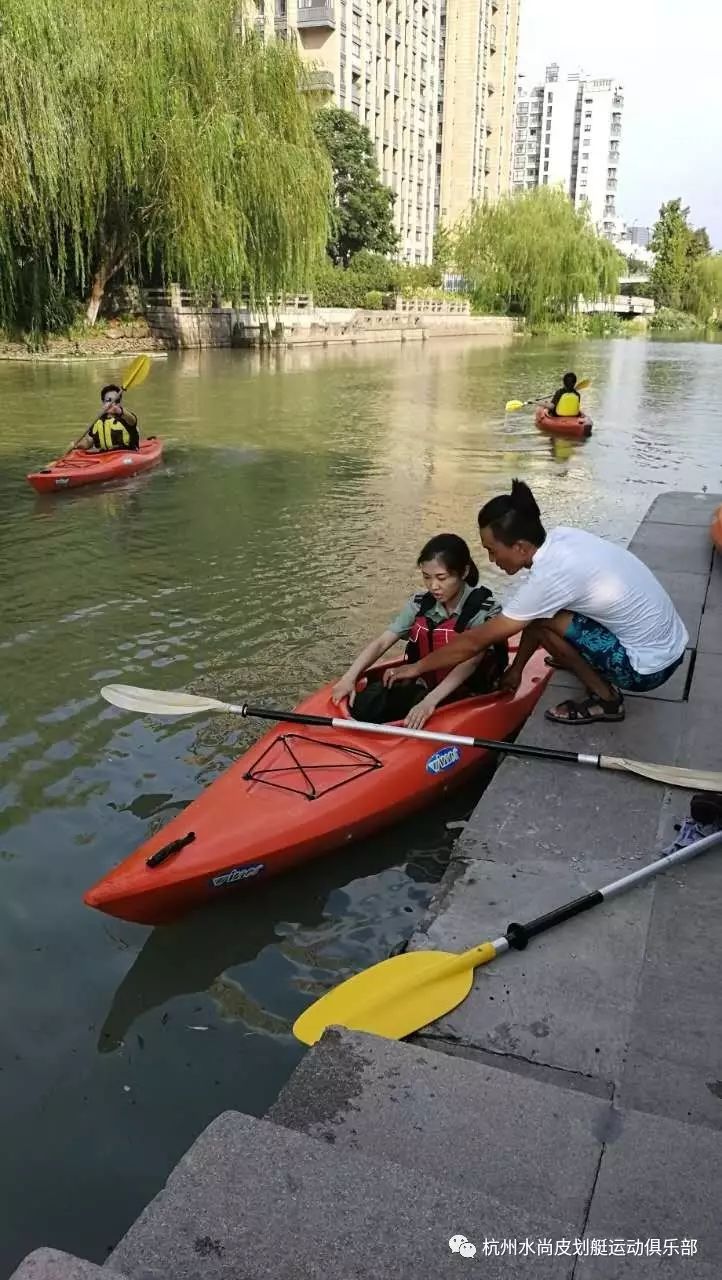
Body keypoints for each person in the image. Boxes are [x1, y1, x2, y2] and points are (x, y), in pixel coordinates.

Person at [384, 480, 688, 726]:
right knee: (543, 616)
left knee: (542, 620)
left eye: (492, 550)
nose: (491, 560)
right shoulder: (563, 537)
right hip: (670, 646)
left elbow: (476, 641)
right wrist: (516, 669)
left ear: (519, 547)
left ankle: (606, 700)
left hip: (647, 669)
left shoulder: (549, 577)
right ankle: (576, 659)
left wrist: (417, 667)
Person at [331, 533, 507, 729]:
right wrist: (350, 677)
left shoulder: (486, 609)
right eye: (426, 577)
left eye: (442, 578)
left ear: (464, 572)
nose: (433, 586)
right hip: (425, 686)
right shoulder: (419, 604)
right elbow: (383, 641)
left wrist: (429, 702)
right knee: (372, 699)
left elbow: (471, 661)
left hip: (466, 694)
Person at [76, 385, 140, 452]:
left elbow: (133, 420)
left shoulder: (126, 417)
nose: (113, 403)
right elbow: (89, 442)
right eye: (109, 400)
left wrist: (119, 411)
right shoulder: (98, 421)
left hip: (126, 454)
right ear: (103, 403)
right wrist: (77, 445)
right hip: (106, 457)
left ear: (120, 402)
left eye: (116, 401)